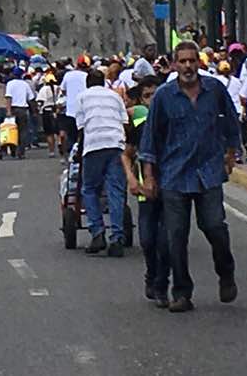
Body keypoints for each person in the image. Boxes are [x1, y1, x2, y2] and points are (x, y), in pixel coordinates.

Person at [139, 41, 240, 313]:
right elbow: (150, 140)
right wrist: (149, 177)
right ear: (174, 64)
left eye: (192, 61)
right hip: (174, 175)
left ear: (199, 63)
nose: (187, 66)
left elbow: (231, 123)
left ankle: (225, 271)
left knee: (215, 226)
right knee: (176, 236)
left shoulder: (215, 90)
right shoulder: (163, 96)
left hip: (208, 172)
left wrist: (231, 155)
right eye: (182, 61)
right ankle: (181, 292)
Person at [122, 76, 169, 306]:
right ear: (141, 100)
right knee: (148, 240)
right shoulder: (140, 127)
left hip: (172, 190)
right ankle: (152, 274)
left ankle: (163, 284)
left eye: (156, 94)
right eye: (148, 96)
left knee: (167, 240)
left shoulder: (173, 120)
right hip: (145, 192)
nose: (153, 100)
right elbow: (126, 154)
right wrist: (131, 178)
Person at [77, 68, 130, 256]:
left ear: (87, 83)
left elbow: (82, 128)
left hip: (94, 145)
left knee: (90, 189)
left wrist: (78, 151)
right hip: (116, 143)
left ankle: (97, 231)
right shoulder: (114, 96)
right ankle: (117, 237)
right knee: (115, 191)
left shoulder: (82, 97)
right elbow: (124, 122)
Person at [59, 56, 90, 155]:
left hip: (71, 111)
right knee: (83, 137)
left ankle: (71, 159)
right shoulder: (87, 76)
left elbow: (63, 90)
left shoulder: (68, 75)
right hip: (85, 111)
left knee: (71, 137)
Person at [5, 67, 34, 159]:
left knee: (12, 130)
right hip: (23, 109)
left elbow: (8, 97)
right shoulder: (25, 84)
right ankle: (21, 152)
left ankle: (13, 149)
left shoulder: (10, 84)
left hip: (13, 109)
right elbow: (31, 98)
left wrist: (8, 110)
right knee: (23, 131)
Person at [35, 72, 60, 158]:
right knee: (58, 131)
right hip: (57, 111)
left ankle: (51, 151)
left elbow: (40, 101)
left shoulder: (44, 89)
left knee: (49, 133)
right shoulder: (58, 88)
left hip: (46, 111)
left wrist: (38, 109)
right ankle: (60, 146)